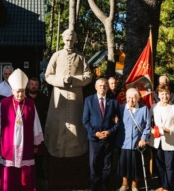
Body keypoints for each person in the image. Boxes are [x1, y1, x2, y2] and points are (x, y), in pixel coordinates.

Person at [0, 68, 44, 191]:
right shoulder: (4, 103)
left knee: (26, 174)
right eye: (18, 92)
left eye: (22, 92)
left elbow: (36, 124)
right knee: (9, 175)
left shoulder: (30, 104)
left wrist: (36, 143)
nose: (20, 95)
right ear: (12, 90)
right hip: (8, 146)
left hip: (27, 146)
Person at [44, 29, 92, 158]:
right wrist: (61, 80)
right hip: (59, 96)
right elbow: (47, 75)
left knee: (76, 123)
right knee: (57, 124)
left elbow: (88, 76)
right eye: (67, 39)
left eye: (71, 39)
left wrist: (75, 80)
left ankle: (76, 151)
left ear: (75, 40)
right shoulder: (56, 55)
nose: (69, 41)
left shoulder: (81, 57)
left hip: (76, 96)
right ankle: (56, 150)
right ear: (63, 39)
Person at [82, 78, 120, 191]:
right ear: (95, 87)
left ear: (107, 87)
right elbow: (85, 120)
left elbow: (118, 122)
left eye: (104, 86)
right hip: (95, 140)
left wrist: (109, 132)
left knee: (107, 165)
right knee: (94, 164)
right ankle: (94, 186)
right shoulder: (89, 100)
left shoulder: (113, 102)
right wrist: (95, 133)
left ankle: (104, 185)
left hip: (108, 139)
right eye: (100, 85)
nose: (102, 88)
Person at [149, 84, 174, 191]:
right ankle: (162, 185)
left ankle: (168, 187)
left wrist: (170, 130)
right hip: (156, 141)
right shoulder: (153, 107)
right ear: (158, 95)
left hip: (171, 142)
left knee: (169, 166)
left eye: (167, 94)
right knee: (159, 166)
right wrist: (151, 130)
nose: (165, 96)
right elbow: (147, 123)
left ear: (170, 94)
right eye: (162, 94)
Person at [116, 88, 151, 191]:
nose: (131, 100)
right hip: (124, 142)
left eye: (134, 98)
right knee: (124, 165)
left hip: (137, 143)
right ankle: (125, 184)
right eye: (129, 97)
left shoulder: (144, 109)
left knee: (137, 166)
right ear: (125, 98)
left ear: (138, 98)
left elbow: (148, 126)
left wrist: (143, 138)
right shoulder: (121, 108)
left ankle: (134, 186)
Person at [26, 77, 49, 187]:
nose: (33, 86)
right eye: (31, 84)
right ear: (27, 86)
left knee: (39, 157)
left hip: (40, 131)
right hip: (25, 132)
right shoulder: (23, 98)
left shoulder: (44, 99)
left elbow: (47, 115)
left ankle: (39, 179)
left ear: (38, 86)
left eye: (35, 84)